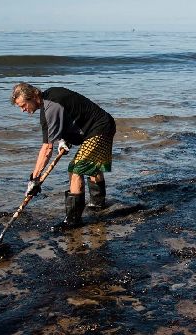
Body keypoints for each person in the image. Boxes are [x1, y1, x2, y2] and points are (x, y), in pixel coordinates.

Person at [10, 83, 116, 231]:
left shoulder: (50, 107)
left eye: (23, 105)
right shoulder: (50, 99)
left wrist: (34, 179)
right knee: (92, 166)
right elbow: (70, 114)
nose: (23, 110)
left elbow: (47, 149)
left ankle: (72, 221)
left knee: (75, 169)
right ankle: (98, 205)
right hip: (101, 125)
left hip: (99, 128)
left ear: (33, 96)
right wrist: (63, 139)